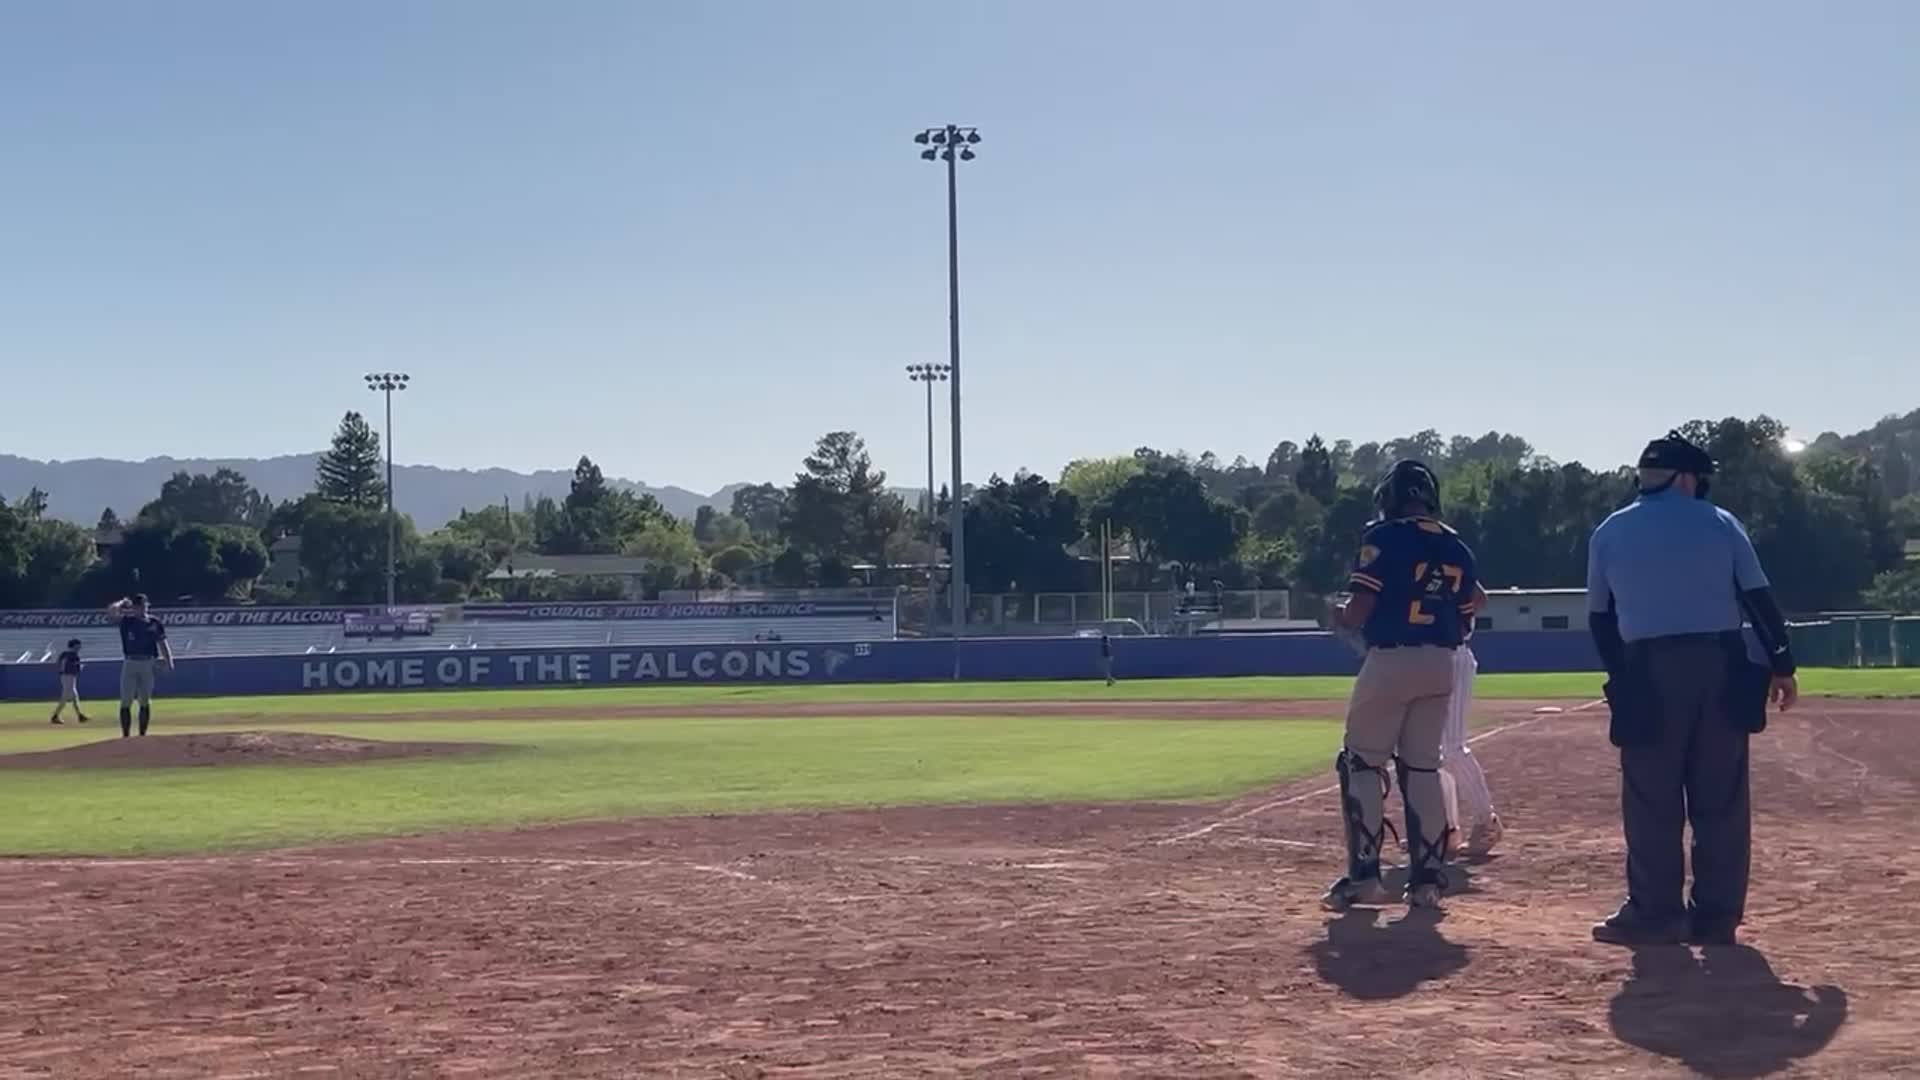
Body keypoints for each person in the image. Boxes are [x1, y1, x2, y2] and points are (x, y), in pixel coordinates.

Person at [1586, 431, 1798, 947]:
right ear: (1685, 479)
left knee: (1650, 798)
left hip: (1647, 666)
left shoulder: (1610, 531)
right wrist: (1782, 664)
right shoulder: (1721, 522)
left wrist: (1624, 675)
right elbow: (1758, 600)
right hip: (1719, 664)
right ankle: (1717, 917)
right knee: (1721, 797)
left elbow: (1600, 618)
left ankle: (1657, 914)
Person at [1324, 460, 1480, 911]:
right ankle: (1428, 881)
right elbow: (1473, 605)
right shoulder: (1457, 546)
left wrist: (1338, 616)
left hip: (1392, 657)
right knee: (1423, 767)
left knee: (1361, 763)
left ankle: (1365, 878)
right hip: (1442, 661)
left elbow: (1358, 611)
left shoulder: (1382, 537)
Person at [1440, 591, 1505, 857]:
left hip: (1453, 656)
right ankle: (1447, 831)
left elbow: (1479, 597)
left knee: (1453, 747)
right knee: (1431, 753)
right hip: (1426, 659)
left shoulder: (1450, 556)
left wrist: (1452, 615)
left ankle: (1486, 821)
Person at [108, 593, 174, 738]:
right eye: (138, 606)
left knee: (145, 699)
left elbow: (162, 642)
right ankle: (126, 735)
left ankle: (142, 735)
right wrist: (121, 603)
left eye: (144, 606)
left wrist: (169, 660)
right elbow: (112, 612)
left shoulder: (154, 622)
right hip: (131, 661)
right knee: (126, 699)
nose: (142, 609)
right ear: (133, 608)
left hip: (148, 662)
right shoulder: (127, 621)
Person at [49, 638, 91, 726]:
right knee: (66, 696)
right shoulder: (74, 655)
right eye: (78, 645)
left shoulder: (64, 654)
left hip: (64, 676)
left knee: (74, 696)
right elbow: (76, 669)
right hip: (69, 676)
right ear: (74, 645)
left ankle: (80, 715)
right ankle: (55, 716)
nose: (80, 647)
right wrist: (81, 666)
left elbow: (59, 663)